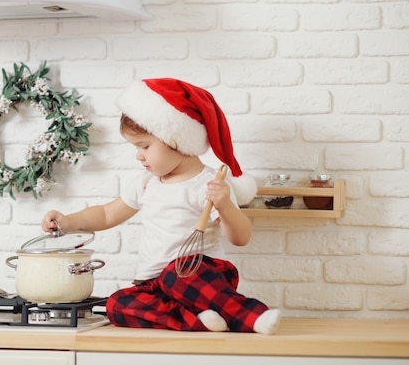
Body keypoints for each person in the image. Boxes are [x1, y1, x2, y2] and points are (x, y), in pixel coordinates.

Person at [41, 78, 281, 334]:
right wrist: (68, 222)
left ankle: (252, 316)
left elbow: (240, 237)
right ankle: (196, 321)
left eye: (144, 146)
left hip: (195, 276)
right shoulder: (146, 183)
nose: (138, 155)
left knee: (175, 277)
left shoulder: (208, 186)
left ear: (176, 140)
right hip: (154, 282)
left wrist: (225, 206)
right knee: (116, 304)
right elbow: (107, 213)